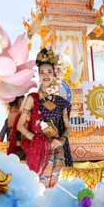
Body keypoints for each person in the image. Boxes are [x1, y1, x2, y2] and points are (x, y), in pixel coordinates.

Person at [17, 48, 73, 187]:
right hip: (39, 150)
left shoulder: (62, 103)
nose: (45, 75)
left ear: (55, 74)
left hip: (57, 149)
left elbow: (67, 127)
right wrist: (36, 139)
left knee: (58, 187)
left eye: (49, 72)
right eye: (42, 72)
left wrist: (61, 140)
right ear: (39, 76)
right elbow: (20, 126)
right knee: (39, 187)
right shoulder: (32, 98)